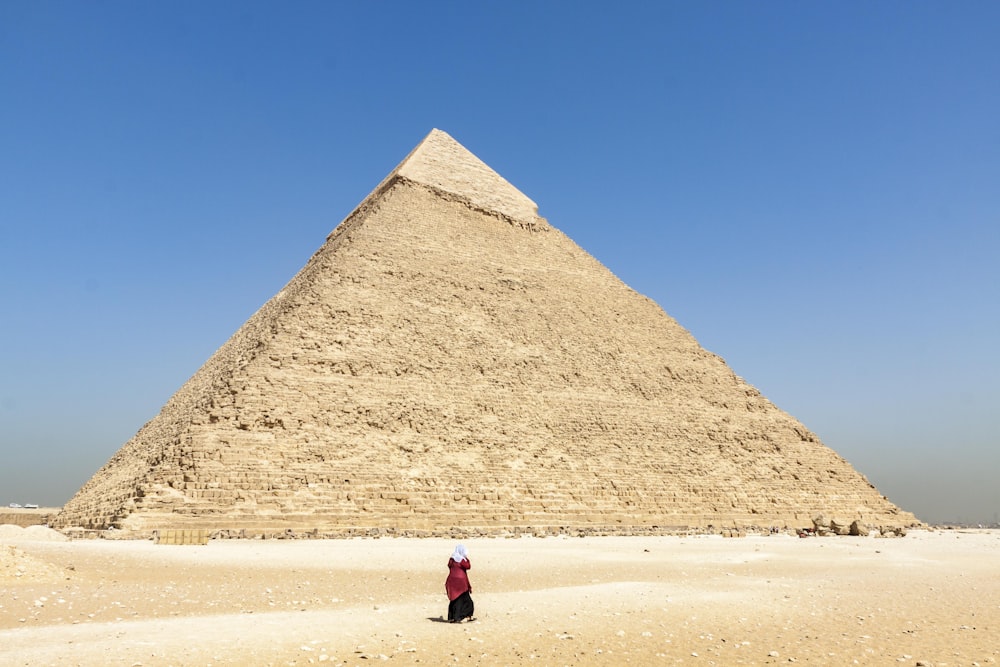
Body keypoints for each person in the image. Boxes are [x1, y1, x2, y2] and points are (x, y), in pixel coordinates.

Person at [445, 543, 474, 623]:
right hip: (461, 582)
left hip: (451, 581)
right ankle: (463, 616)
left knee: (454, 600)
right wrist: (466, 558)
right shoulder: (462, 560)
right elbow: (468, 566)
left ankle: (452, 617)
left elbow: (449, 565)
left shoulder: (452, 559)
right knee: (465, 600)